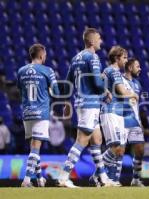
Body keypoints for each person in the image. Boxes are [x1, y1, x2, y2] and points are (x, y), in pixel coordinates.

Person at [58, 28, 114, 188]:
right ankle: (63, 176)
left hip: (82, 103)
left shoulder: (76, 58)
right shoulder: (93, 57)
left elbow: (67, 84)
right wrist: (105, 90)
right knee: (82, 140)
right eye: (99, 38)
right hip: (90, 103)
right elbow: (97, 83)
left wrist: (65, 102)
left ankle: (103, 178)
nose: (101, 41)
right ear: (91, 41)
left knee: (97, 140)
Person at [17, 43, 60, 187]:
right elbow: (57, 92)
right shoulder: (47, 70)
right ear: (42, 55)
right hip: (41, 112)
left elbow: (20, 90)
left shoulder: (21, 71)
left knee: (34, 147)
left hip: (27, 112)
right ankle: (27, 180)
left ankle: (40, 178)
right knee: (36, 146)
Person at [101, 46, 138, 185]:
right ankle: (99, 173)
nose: (126, 60)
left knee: (120, 149)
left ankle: (110, 179)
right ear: (117, 58)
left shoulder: (109, 71)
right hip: (110, 112)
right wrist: (133, 94)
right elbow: (122, 92)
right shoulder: (114, 71)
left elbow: (100, 82)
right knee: (116, 148)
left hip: (117, 113)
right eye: (124, 58)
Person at [122, 58, 145, 186]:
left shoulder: (137, 84)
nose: (140, 68)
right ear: (130, 68)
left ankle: (136, 179)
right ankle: (106, 176)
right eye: (137, 66)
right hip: (120, 119)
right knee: (118, 151)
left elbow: (136, 104)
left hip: (134, 120)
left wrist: (140, 121)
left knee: (140, 150)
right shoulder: (119, 80)